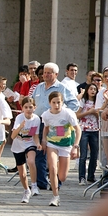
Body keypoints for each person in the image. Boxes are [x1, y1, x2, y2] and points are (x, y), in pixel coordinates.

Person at [32, 62, 79, 190]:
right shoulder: (39, 87)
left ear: (56, 74)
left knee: (58, 155)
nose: (45, 75)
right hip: (39, 123)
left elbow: (75, 104)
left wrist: (62, 114)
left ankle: (57, 181)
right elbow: (32, 102)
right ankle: (42, 182)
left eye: (49, 73)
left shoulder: (62, 88)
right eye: (44, 72)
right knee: (40, 152)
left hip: (57, 126)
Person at [41, 91, 81, 206]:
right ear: (49, 103)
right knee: (52, 168)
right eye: (54, 102)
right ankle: (55, 196)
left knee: (62, 177)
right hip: (52, 143)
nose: (56, 105)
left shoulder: (68, 113)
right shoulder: (46, 115)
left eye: (59, 102)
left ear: (62, 102)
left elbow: (78, 129)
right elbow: (46, 128)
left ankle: (58, 166)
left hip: (66, 144)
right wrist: (44, 140)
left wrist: (75, 146)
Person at [11, 97, 42, 203]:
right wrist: (20, 126)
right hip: (18, 145)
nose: (28, 109)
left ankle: (34, 185)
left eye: (30, 107)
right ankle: (26, 190)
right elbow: (13, 136)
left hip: (30, 143)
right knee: (22, 173)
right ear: (22, 108)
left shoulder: (37, 119)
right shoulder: (19, 118)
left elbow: (35, 135)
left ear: (34, 108)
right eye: (26, 107)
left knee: (31, 161)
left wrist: (38, 144)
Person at [76, 83, 99, 185]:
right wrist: (89, 112)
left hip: (95, 130)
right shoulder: (83, 101)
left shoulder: (98, 102)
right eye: (91, 89)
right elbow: (77, 115)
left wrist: (95, 113)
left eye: (95, 89)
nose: (93, 91)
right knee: (83, 155)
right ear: (87, 90)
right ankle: (81, 177)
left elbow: (100, 116)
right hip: (84, 129)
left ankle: (91, 176)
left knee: (94, 154)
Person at [95, 66, 108, 170]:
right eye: (105, 76)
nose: (107, 78)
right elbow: (98, 111)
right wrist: (106, 103)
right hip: (106, 127)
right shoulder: (101, 92)